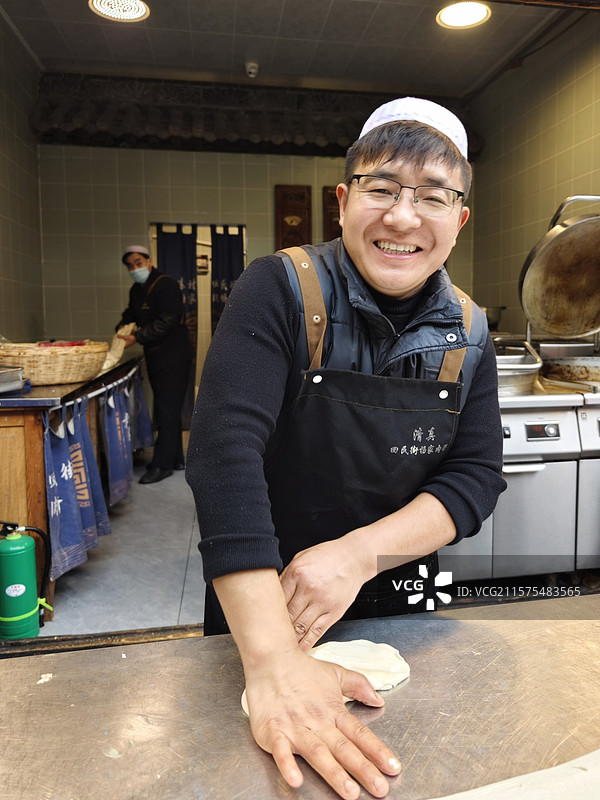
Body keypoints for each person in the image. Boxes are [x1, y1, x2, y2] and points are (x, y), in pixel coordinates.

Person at [186, 97, 506, 798]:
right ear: (342, 201)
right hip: (269, 604)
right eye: (381, 188)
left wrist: (357, 556)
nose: (403, 217)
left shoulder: (471, 330)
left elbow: (475, 477)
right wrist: (273, 664)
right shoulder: (280, 287)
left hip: (401, 598)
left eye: (432, 196)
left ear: (459, 219)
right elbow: (222, 451)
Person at [117, 244, 193, 484]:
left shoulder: (165, 285)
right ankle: (176, 459)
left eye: (138, 263)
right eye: (130, 266)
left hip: (174, 357)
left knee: (166, 410)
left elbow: (168, 320)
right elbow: (131, 313)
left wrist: (137, 337)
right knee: (168, 408)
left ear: (149, 261)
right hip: (157, 356)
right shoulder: (137, 289)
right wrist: (122, 326)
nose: (135, 269)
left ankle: (162, 465)